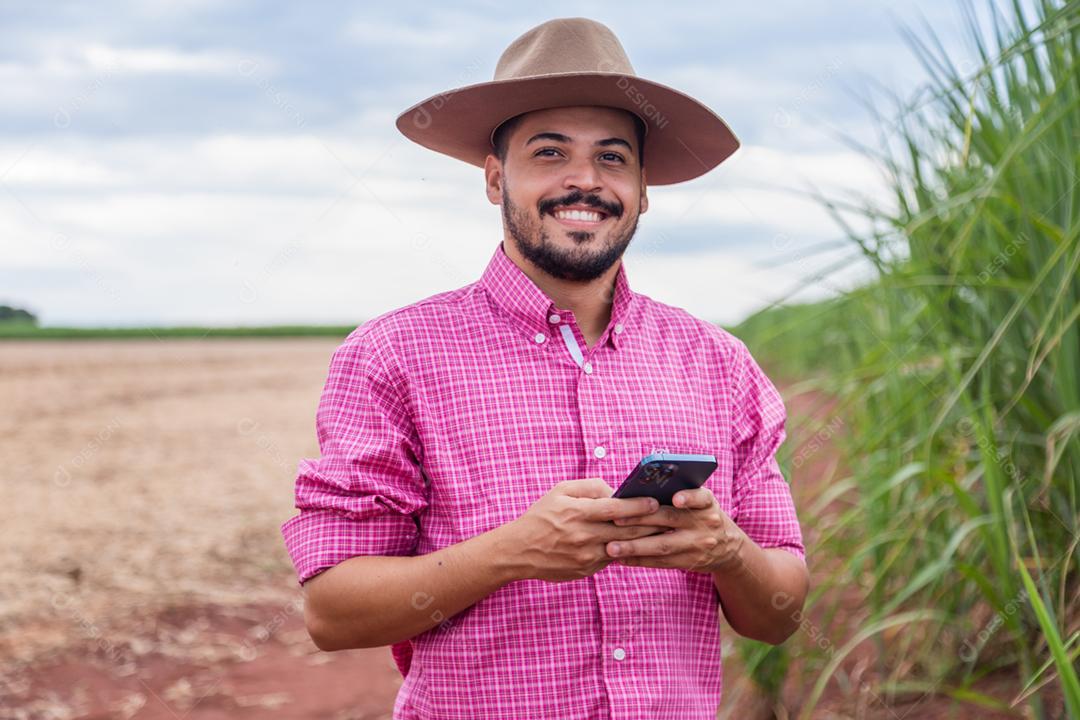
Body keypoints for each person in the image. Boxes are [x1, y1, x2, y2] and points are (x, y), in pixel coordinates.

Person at [281, 16, 808, 719]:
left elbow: (779, 616)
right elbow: (331, 613)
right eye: (550, 152)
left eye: (613, 157)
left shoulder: (719, 364)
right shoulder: (392, 356)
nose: (584, 180)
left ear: (644, 188)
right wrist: (515, 551)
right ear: (496, 178)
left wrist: (727, 552)